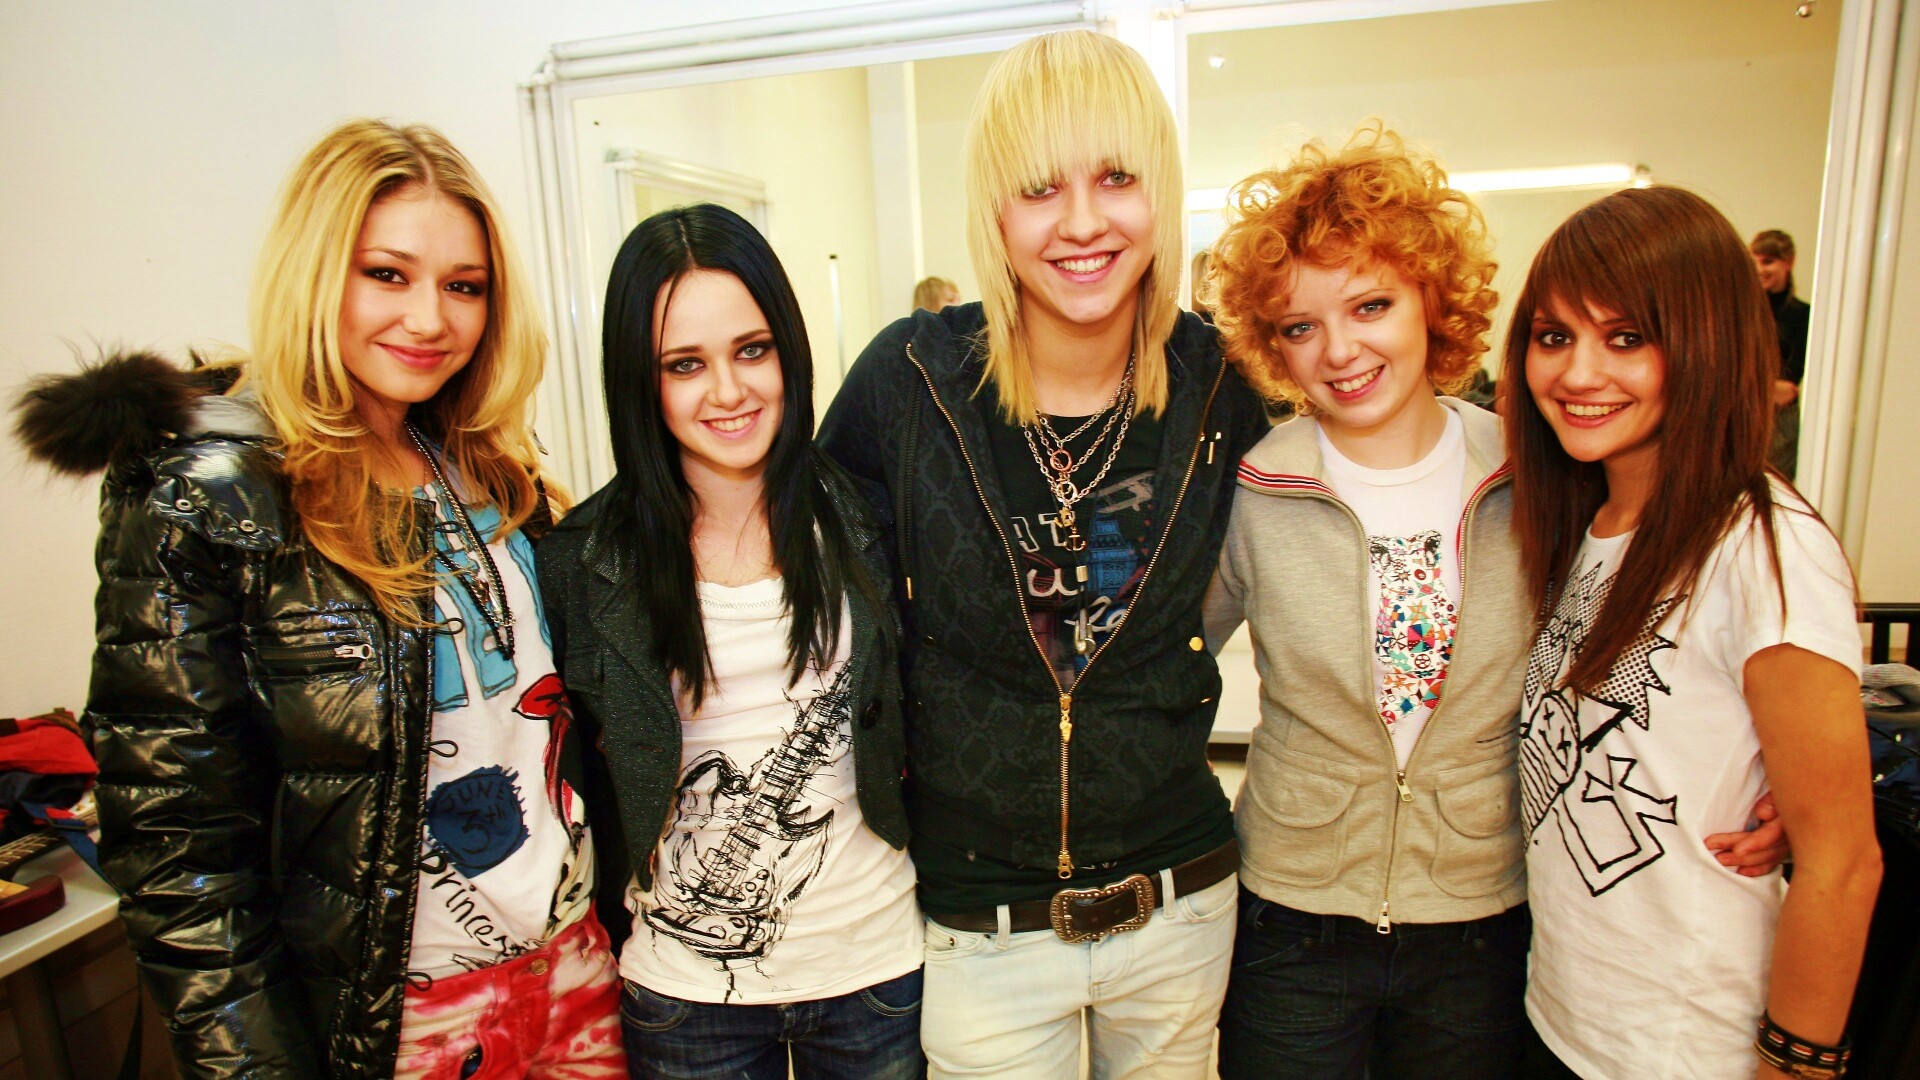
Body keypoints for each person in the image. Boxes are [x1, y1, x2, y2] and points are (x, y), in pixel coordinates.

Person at [12, 120, 622, 1079]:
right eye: (387, 274)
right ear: (314, 272)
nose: (429, 319)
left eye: (463, 286)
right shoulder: (214, 494)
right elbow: (178, 852)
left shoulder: (490, 470)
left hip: (573, 971)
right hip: (391, 1021)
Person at [818, 29, 1270, 1078]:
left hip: (1180, 909)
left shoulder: (1221, 386)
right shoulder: (910, 383)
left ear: (1159, 189)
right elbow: (802, 579)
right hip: (980, 927)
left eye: (1115, 178)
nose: (1081, 222)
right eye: (1038, 189)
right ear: (994, 210)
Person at [537, 204, 921, 1080]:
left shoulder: (869, 518)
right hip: (681, 998)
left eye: (752, 350)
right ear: (639, 382)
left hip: (876, 973)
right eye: (685, 364)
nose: (728, 391)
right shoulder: (580, 561)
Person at [1508, 186, 1881, 1079]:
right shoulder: (1589, 523)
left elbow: (1842, 862)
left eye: (1626, 338)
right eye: (1554, 336)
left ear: (1707, 342)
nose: (1578, 374)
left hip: (1687, 1046)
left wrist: (1795, 1065)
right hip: (1564, 1019)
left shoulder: (1763, 546)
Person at [1200, 122, 1532, 1080]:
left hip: (1479, 913)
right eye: (1300, 327)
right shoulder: (1255, 489)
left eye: (1371, 305)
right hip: (1293, 916)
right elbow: (1161, 669)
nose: (1339, 350)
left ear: (1433, 298)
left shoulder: (1529, 475)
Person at [1751, 228, 1810, 478]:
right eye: (1754, 261)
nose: (1760, 269)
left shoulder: (1804, 315)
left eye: (1768, 261)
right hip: (1741, 415)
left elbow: (1789, 386)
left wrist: (1749, 386)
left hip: (1779, 425)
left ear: (1789, 262)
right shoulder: (1744, 313)